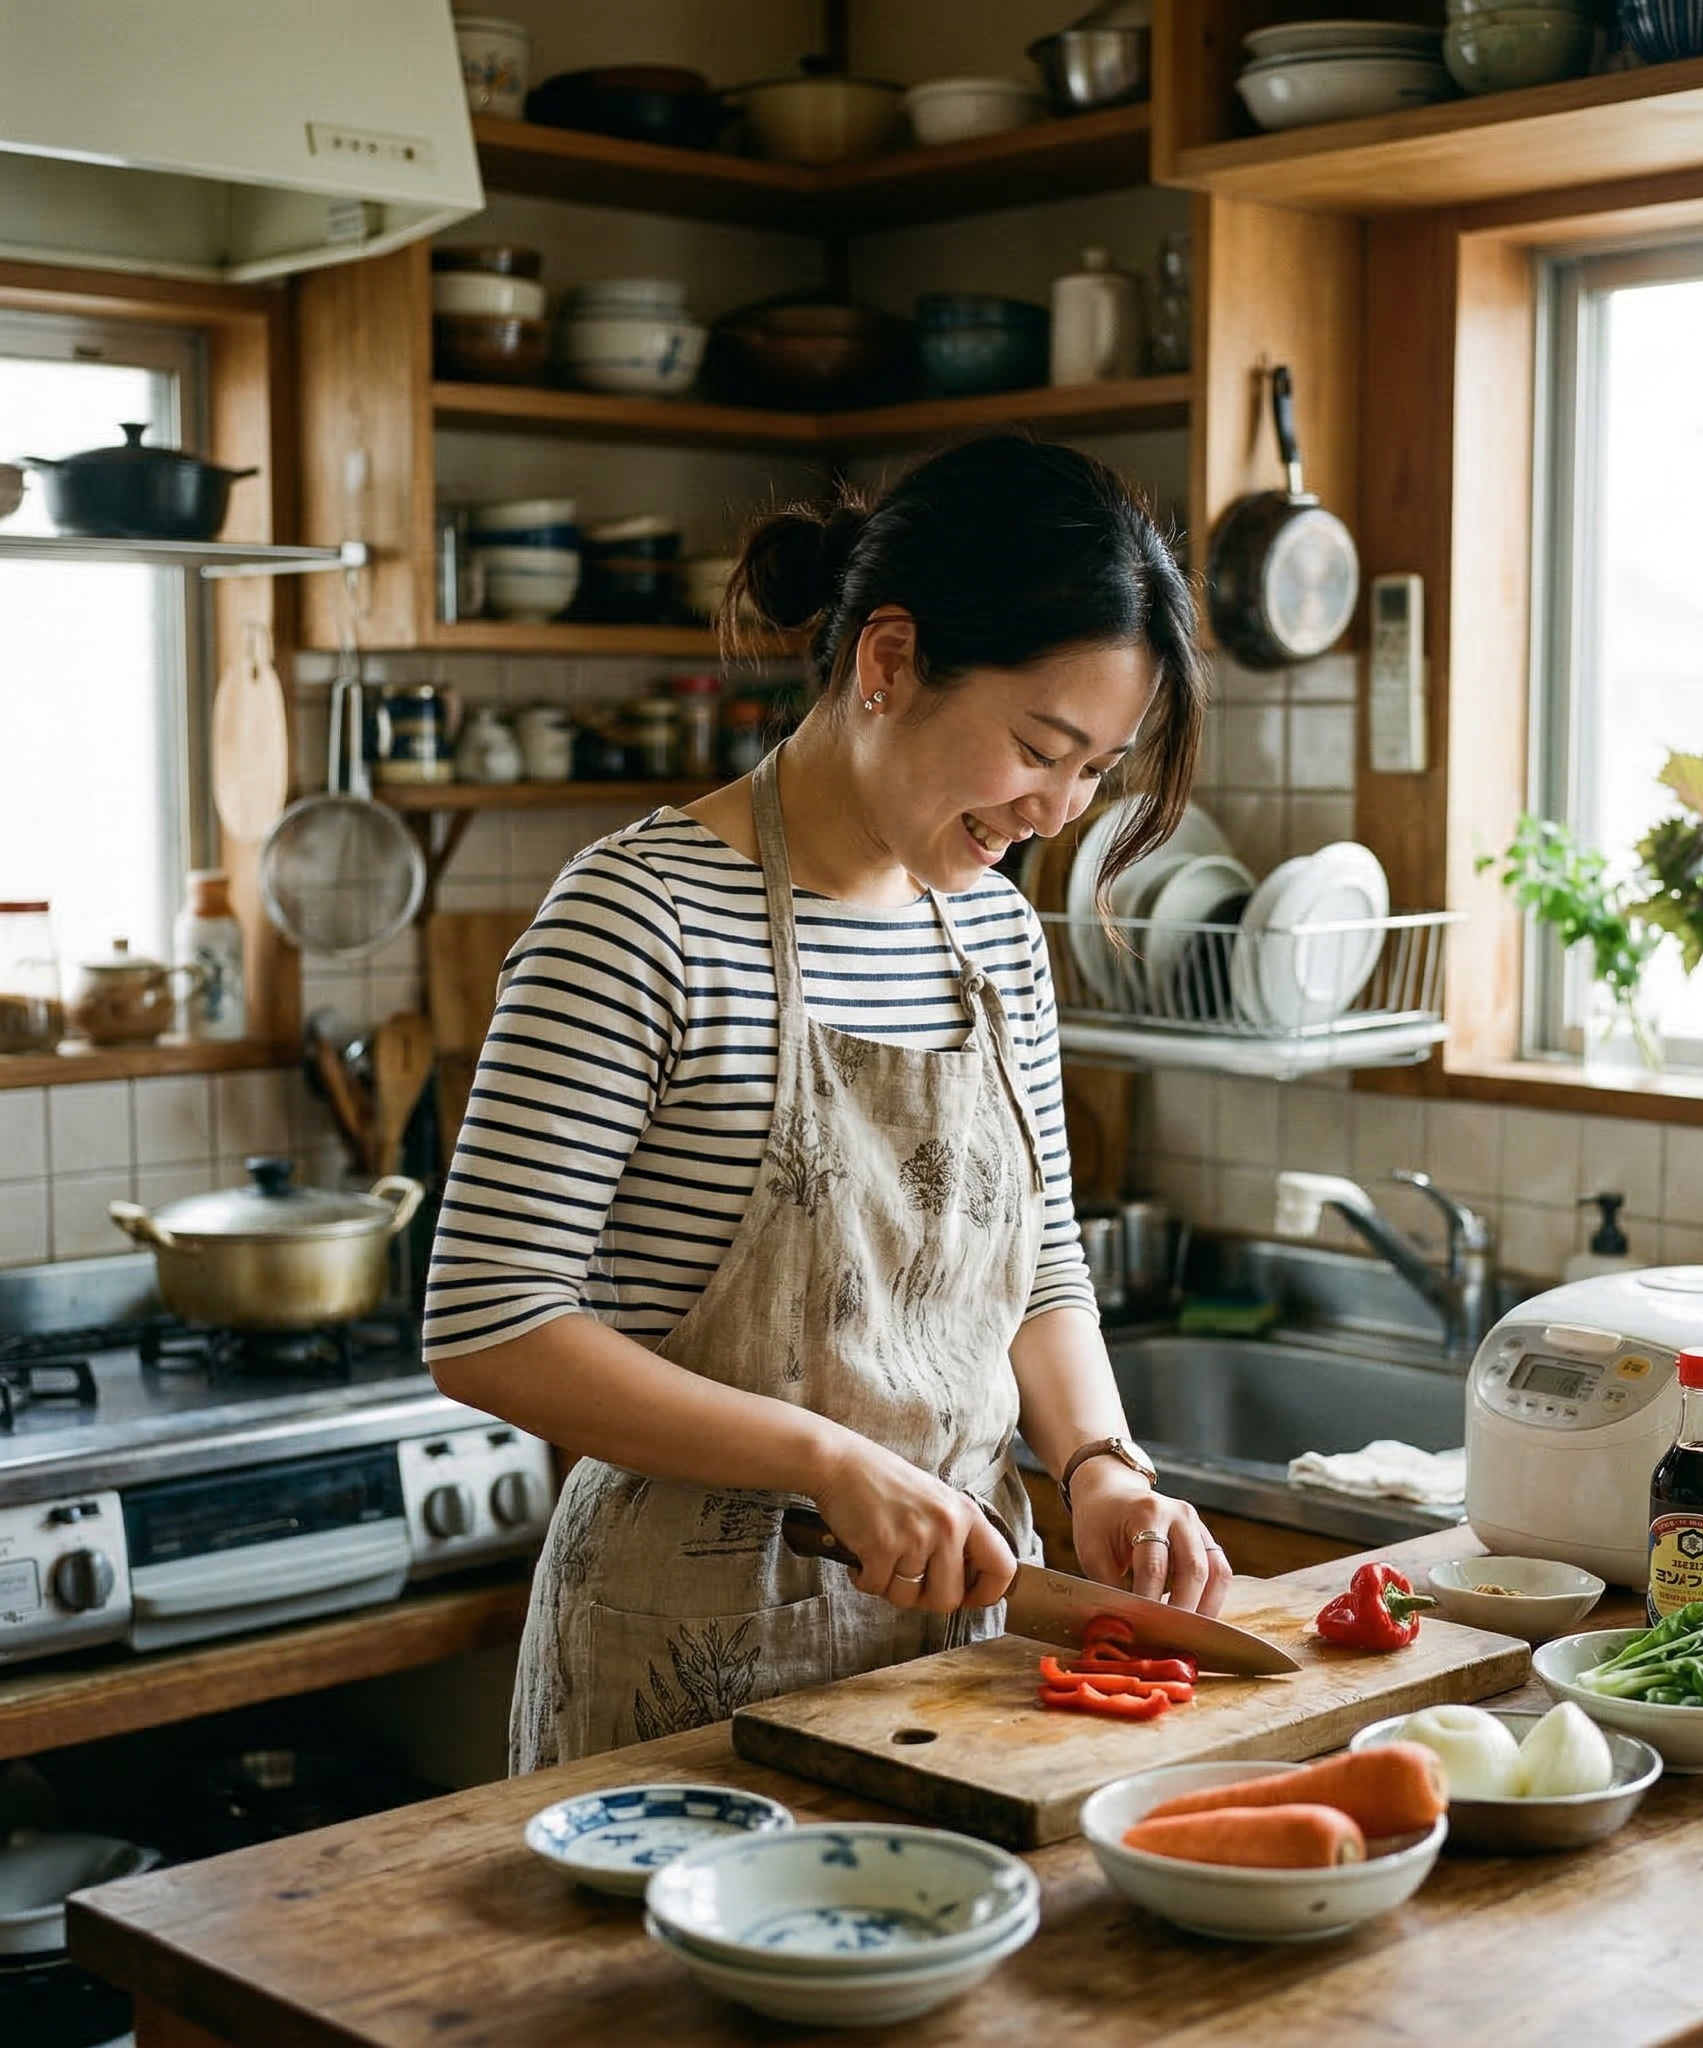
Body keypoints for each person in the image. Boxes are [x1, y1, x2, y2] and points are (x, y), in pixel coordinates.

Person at [424, 437, 1225, 1771]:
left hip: (963, 1650)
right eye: (1040, 747)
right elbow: (489, 1323)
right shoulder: (642, 919)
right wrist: (826, 1462)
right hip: (682, 1661)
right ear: (889, 660)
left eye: (1099, 770)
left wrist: (1100, 1465)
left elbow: (1039, 1274)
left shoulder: (1001, 943)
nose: (1060, 810)